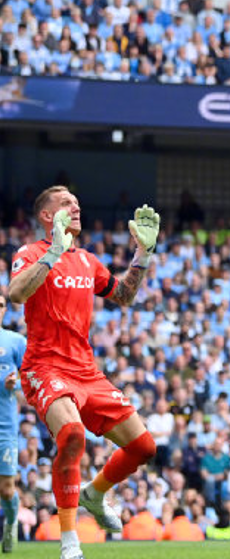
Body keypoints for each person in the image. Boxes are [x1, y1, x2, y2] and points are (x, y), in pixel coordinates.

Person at [9, 186, 160, 559]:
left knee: (144, 448)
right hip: (45, 367)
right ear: (47, 216)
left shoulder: (88, 261)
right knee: (73, 435)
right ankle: (70, 543)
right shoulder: (30, 253)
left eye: (77, 202)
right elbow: (15, 293)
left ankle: (95, 493)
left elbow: (123, 296)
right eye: (65, 204)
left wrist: (142, 255)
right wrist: (54, 253)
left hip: (86, 370)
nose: (76, 207)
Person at [0, 296, 25, 553]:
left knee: (6, 490)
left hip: (4, 426)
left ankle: (10, 522)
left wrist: (14, 383)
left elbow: (31, 376)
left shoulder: (15, 341)